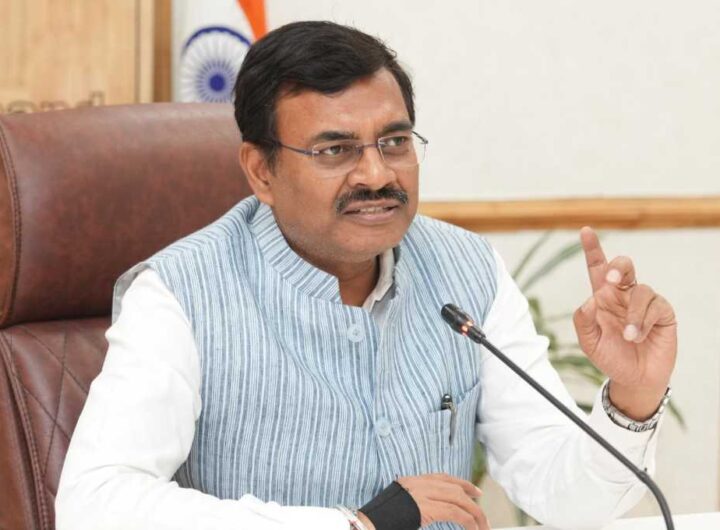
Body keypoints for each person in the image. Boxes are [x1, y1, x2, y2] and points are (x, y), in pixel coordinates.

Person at [56, 21, 677, 530]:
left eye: (395, 142)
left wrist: (633, 398)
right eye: (335, 150)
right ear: (262, 172)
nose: (377, 175)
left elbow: (564, 497)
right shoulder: (180, 294)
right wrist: (354, 525)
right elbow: (96, 505)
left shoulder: (466, 268)